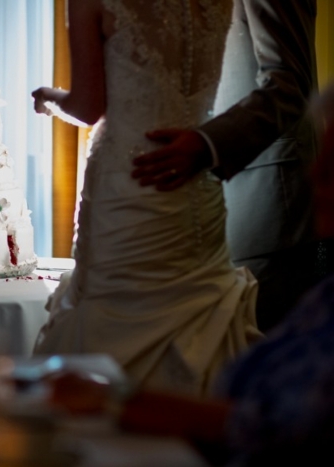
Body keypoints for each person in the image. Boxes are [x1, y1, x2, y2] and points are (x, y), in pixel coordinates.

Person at [45, 88, 334, 464]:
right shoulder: (323, 300)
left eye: (332, 166)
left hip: (202, 187)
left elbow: (272, 426)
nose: (315, 174)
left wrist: (114, 400)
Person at [30, 0, 262, 396]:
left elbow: (87, 108)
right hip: (196, 178)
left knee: (110, 317)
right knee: (198, 313)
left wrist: (48, 99)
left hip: (127, 188)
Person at [130, 0, 319, 333]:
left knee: (261, 358)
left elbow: (289, 83)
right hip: (198, 202)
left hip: (266, 203)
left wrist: (207, 144)